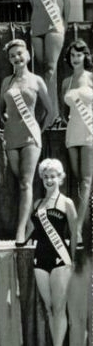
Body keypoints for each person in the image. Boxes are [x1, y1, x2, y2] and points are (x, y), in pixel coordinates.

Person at [25, 159, 77, 346]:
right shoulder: (37, 204)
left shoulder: (67, 203)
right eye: (46, 176)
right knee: (48, 308)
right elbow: (29, 230)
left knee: (59, 308)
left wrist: (71, 261)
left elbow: (74, 233)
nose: (49, 180)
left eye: (53, 176)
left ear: (60, 178)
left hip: (60, 259)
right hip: (40, 259)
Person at [0, 39, 54, 244]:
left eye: (19, 53)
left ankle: (20, 231)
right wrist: (7, 119)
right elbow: (1, 110)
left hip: (31, 136)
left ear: (28, 55)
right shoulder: (7, 82)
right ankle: (32, 225)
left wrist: (39, 129)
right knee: (22, 183)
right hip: (11, 136)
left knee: (25, 183)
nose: (16, 58)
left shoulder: (37, 80)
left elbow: (51, 111)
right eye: (12, 55)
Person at [60, 39, 93, 249]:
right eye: (72, 55)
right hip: (73, 133)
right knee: (79, 180)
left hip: (90, 132)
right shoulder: (66, 82)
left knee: (87, 181)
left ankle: (78, 229)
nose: (75, 58)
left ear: (85, 56)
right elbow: (65, 112)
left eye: (78, 55)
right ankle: (85, 223)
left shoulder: (91, 77)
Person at [29, 0, 71, 120]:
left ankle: (52, 114)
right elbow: (33, 4)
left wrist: (64, 24)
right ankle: (49, 110)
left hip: (54, 25)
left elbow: (67, 3)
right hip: (36, 26)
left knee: (50, 70)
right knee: (43, 71)